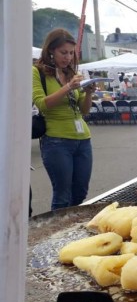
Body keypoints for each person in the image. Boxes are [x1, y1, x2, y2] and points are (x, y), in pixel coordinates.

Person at [32, 28, 96, 210]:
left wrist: (88, 93)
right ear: (51, 50)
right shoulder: (37, 72)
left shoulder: (70, 73)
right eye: (63, 52)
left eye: (70, 53)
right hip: (56, 141)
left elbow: (84, 110)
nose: (68, 57)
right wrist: (68, 87)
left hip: (83, 139)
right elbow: (42, 104)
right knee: (62, 195)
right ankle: (58, 236)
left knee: (80, 193)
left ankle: (72, 231)